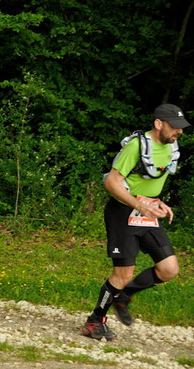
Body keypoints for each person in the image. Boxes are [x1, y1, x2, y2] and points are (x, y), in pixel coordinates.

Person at [81, 103, 190, 341]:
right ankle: (94, 322)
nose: (179, 132)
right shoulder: (136, 146)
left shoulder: (172, 146)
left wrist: (157, 201)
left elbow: (151, 180)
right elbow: (111, 182)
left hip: (147, 211)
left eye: (182, 128)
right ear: (158, 123)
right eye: (175, 127)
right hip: (123, 211)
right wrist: (139, 204)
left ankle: (123, 296)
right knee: (123, 272)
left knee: (169, 269)